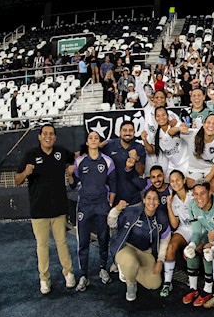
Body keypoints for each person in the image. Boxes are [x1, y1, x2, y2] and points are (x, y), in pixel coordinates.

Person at [14, 124, 76, 295]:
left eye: (52, 134)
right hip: (39, 209)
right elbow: (17, 180)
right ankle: (44, 278)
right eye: (45, 134)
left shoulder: (61, 152)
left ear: (55, 137)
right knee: (42, 245)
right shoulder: (30, 155)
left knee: (62, 242)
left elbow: (75, 157)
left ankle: (68, 273)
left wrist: (72, 166)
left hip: (58, 208)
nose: (49, 136)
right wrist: (26, 172)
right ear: (40, 137)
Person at [70, 131, 116, 291]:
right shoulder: (80, 161)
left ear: (100, 142)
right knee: (83, 241)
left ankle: (103, 267)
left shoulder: (108, 161)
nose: (94, 140)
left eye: (97, 138)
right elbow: (73, 184)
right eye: (91, 138)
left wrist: (109, 204)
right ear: (87, 142)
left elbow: (113, 185)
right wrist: (69, 174)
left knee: (104, 237)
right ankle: (84, 275)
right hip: (84, 205)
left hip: (102, 204)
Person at [108, 187, 171, 302]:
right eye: (149, 198)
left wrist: (160, 260)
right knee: (131, 263)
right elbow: (111, 223)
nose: (152, 202)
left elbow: (165, 240)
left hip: (145, 251)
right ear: (143, 200)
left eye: (155, 199)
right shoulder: (133, 211)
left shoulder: (161, 217)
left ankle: (129, 271)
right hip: (126, 247)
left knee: (154, 284)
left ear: (158, 201)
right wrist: (116, 209)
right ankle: (131, 284)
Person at [181, 180, 214, 306]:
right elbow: (197, 232)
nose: (199, 197)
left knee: (207, 249)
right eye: (195, 194)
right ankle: (193, 288)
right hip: (210, 233)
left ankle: (208, 289)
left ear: (209, 193)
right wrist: (192, 244)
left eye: (202, 193)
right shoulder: (193, 206)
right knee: (192, 250)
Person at [162, 169, 194, 298]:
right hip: (184, 228)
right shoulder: (173, 200)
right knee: (171, 247)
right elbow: (175, 225)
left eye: (178, 180)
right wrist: (169, 206)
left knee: (189, 254)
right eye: (172, 181)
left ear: (184, 180)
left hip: (199, 229)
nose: (175, 183)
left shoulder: (194, 195)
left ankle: (194, 284)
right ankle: (167, 282)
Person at [102, 121, 146, 205]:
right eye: (125, 130)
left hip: (133, 197)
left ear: (134, 132)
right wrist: (99, 146)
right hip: (113, 197)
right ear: (120, 132)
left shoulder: (139, 147)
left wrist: (136, 159)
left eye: (130, 130)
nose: (127, 133)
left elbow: (141, 172)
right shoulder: (109, 145)